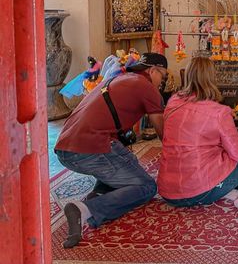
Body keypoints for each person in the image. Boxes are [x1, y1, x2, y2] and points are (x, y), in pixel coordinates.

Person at [54, 52, 168, 248]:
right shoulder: (147, 88)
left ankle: (98, 195)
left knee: (126, 163)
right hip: (91, 147)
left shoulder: (117, 78)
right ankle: (83, 209)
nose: (163, 82)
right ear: (153, 70)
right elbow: (164, 135)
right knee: (146, 186)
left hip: (65, 148)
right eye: (163, 76)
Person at [157, 57, 238, 212]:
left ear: (188, 75)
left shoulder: (173, 102)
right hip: (198, 190)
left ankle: (227, 192)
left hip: (167, 191)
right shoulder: (219, 112)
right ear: (212, 78)